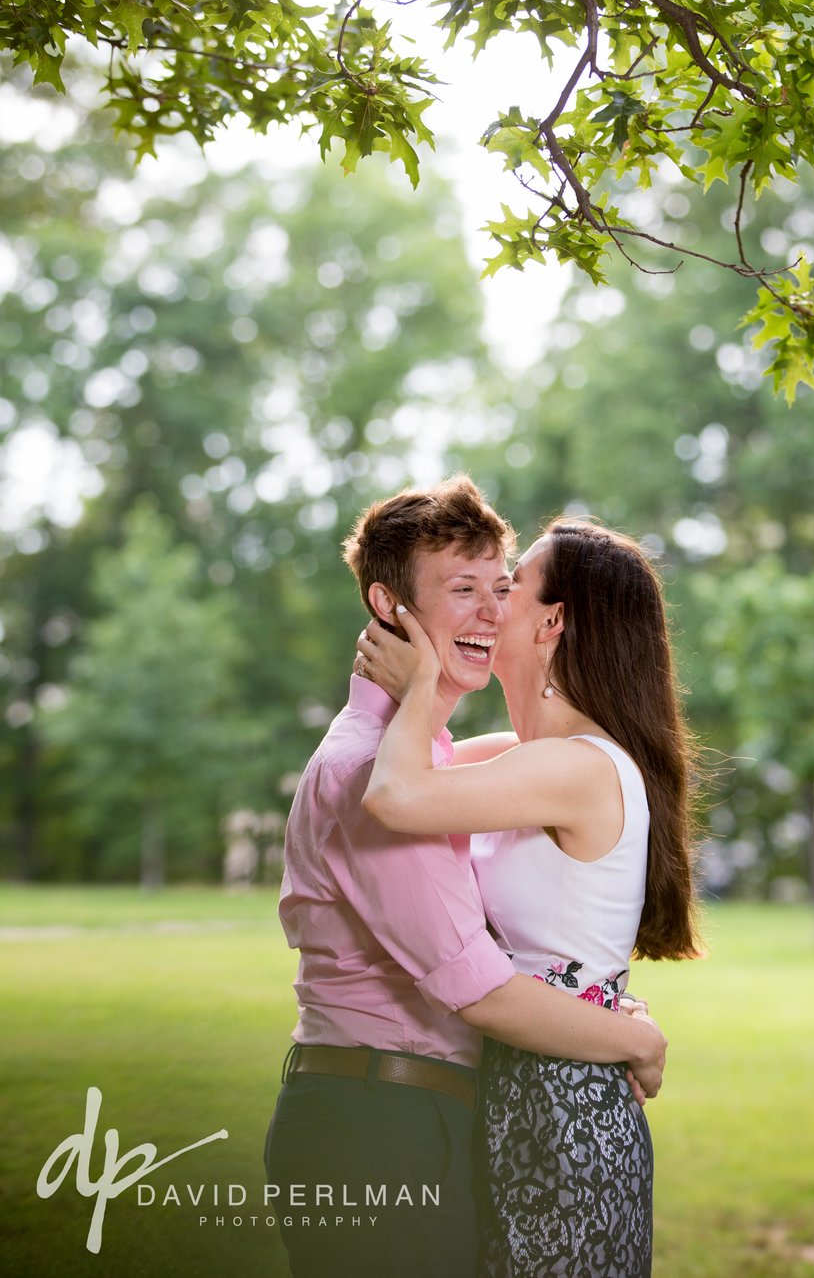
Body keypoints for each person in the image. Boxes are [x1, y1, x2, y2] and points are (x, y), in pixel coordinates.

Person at [264, 479, 666, 1278]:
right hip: (379, 1121)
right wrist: (637, 1037)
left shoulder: (453, 761)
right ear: (389, 607)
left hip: (450, 1110)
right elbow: (476, 987)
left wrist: (594, 989)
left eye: (502, 586)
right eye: (465, 590)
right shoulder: (367, 772)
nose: (490, 609)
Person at [359, 518, 702, 1278]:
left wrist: (418, 685)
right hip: (516, 1090)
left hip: (566, 1108)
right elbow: (416, 763)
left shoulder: (580, 768)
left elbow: (397, 794)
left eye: (510, 586)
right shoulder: (530, 758)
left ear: (550, 622)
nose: (491, 602)